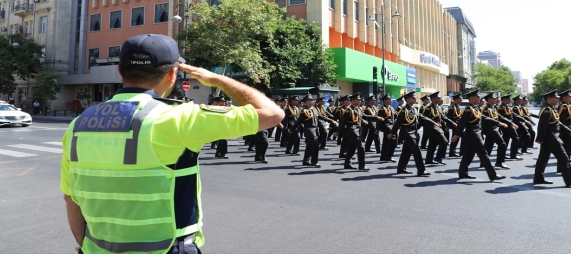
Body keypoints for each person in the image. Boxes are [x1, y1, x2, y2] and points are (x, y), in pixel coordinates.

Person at [60, 34, 284, 254]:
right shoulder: (177, 118)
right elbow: (272, 114)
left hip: (97, 248)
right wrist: (216, 79)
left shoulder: (78, 125)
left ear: (120, 71)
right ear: (172, 74)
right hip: (166, 248)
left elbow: (71, 198)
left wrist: (88, 246)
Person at [451, 90, 506, 181]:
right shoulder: (468, 109)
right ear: (472, 98)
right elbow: (462, 123)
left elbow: (485, 118)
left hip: (475, 134)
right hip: (473, 135)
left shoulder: (476, 108)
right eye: (478, 97)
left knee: (468, 155)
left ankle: (462, 173)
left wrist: (499, 123)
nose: (479, 98)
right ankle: (492, 175)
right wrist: (456, 135)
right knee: (484, 155)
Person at [533, 90, 571, 187]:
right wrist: (540, 138)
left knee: (543, 158)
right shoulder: (546, 110)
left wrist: (569, 131)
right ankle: (570, 180)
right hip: (550, 138)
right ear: (549, 98)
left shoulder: (551, 108)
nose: (558, 99)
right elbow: (542, 125)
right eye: (555, 98)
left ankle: (538, 178)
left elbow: (558, 123)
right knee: (564, 157)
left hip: (551, 137)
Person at [390, 91, 438, 176]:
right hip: (407, 133)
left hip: (413, 133)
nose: (415, 99)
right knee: (417, 151)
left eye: (415, 97)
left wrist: (433, 123)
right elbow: (397, 123)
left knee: (406, 151)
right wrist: (392, 133)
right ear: (408, 99)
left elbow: (423, 117)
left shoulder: (414, 109)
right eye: (413, 98)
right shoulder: (404, 110)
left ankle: (401, 168)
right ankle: (421, 170)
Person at [334, 93, 382, 170]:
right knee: (361, 147)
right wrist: (337, 132)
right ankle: (362, 166)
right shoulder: (348, 110)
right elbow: (342, 122)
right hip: (352, 131)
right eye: (358, 99)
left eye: (360, 99)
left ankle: (347, 164)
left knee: (351, 148)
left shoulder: (358, 109)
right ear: (352, 101)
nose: (360, 101)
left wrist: (377, 117)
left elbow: (365, 116)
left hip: (357, 131)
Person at [290, 94, 335, 167]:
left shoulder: (314, 109)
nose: (313, 101)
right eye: (311, 100)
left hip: (315, 129)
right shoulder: (304, 111)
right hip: (309, 129)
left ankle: (306, 160)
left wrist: (331, 121)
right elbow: (298, 121)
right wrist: (292, 129)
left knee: (309, 145)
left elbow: (321, 116)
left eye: (313, 100)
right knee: (315, 144)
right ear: (306, 101)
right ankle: (314, 162)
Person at [420, 92, 456, 165]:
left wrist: (452, 123)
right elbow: (424, 118)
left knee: (432, 144)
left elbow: (443, 117)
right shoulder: (429, 108)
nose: (439, 99)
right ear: (433, 99)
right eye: (438, 98)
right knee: (444, 141)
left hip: (437, 128)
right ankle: (438, 158)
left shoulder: (437, 107)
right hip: (432, 128)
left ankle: (429, 160)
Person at [481, 92, 514, 170]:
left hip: (494, 129)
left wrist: (511, 123)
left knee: (488, 146)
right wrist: (500, 124)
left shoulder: (493, 107)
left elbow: (500, 117)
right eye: (494, 98)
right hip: (490, 129)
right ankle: (499, 162)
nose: (496, 100)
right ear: (489, 99)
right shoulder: (485, 109)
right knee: (502, 144)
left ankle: (483, 163)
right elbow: (488, 120)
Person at [377, 94, 397, 163]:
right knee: (393, 141)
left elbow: (396, 116)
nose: (391, 100)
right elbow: (379, 120)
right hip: (387, 127)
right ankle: (388, 156)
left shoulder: (391, 108)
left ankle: (383, 157)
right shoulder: (382, 109)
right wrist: (378, 129)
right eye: (389, 99)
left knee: (386, 142)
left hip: (392, 126)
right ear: (385, 101)